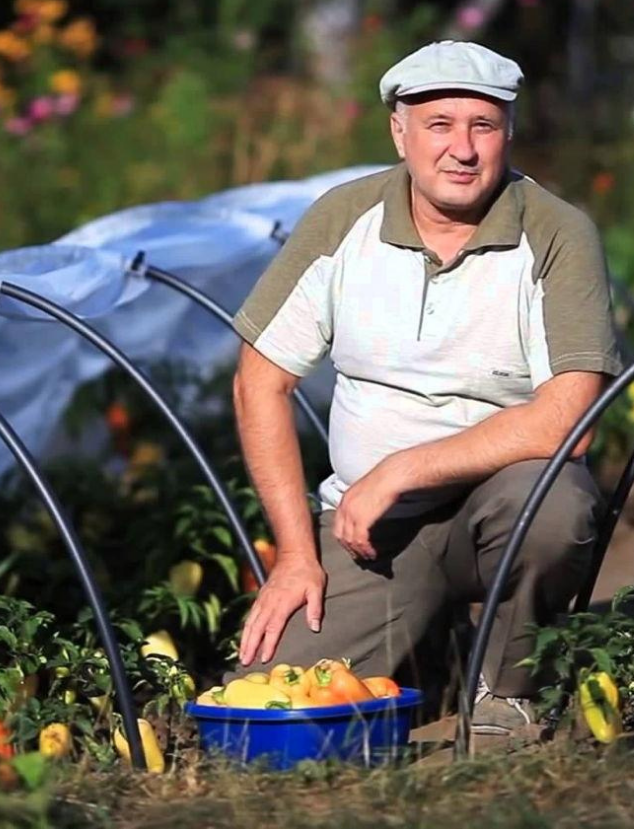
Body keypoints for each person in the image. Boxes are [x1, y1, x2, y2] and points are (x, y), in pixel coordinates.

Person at [229, 40, 621, 735]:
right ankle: (430, 653)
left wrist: (406, 466)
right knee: (268, 712)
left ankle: (510, 692)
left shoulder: (558, 232)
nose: (461, 149)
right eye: (439, 125)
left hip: (502, 509)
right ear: (399, 131)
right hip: (371, 531)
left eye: (483, 126)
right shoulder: (344, 217)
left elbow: (571, 420)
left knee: (555, 505)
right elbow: (261, 381)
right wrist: (294, 555)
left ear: (508, 132)